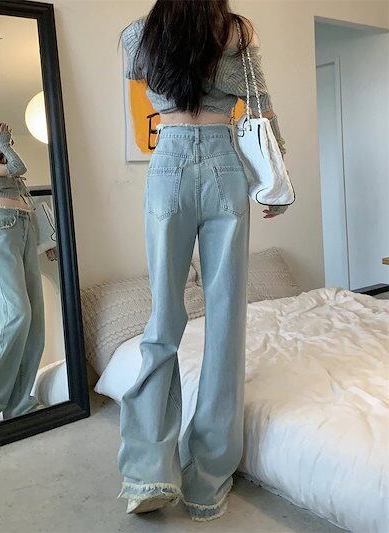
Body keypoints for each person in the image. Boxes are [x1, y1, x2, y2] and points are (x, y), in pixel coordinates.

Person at [117, 0, 289, 521]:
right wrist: (277, 179)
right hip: (223, 161)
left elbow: (139, 79)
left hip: (168, 159)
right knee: (225, 320)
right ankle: (207, 482)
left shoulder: (139, 33)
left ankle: (147, 471)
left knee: (162, 320)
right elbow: (261, 106)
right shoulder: (236, 30)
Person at [0, 122, 45, 423]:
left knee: (34, 322)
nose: (6, 137)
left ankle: (20, 404)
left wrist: (44, 240)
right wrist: (4, 143)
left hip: (24, 228)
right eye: (0, 135)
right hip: (1, 228)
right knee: (16, 314)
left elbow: (28, 203)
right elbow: (17, 167)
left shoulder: (8, 172)